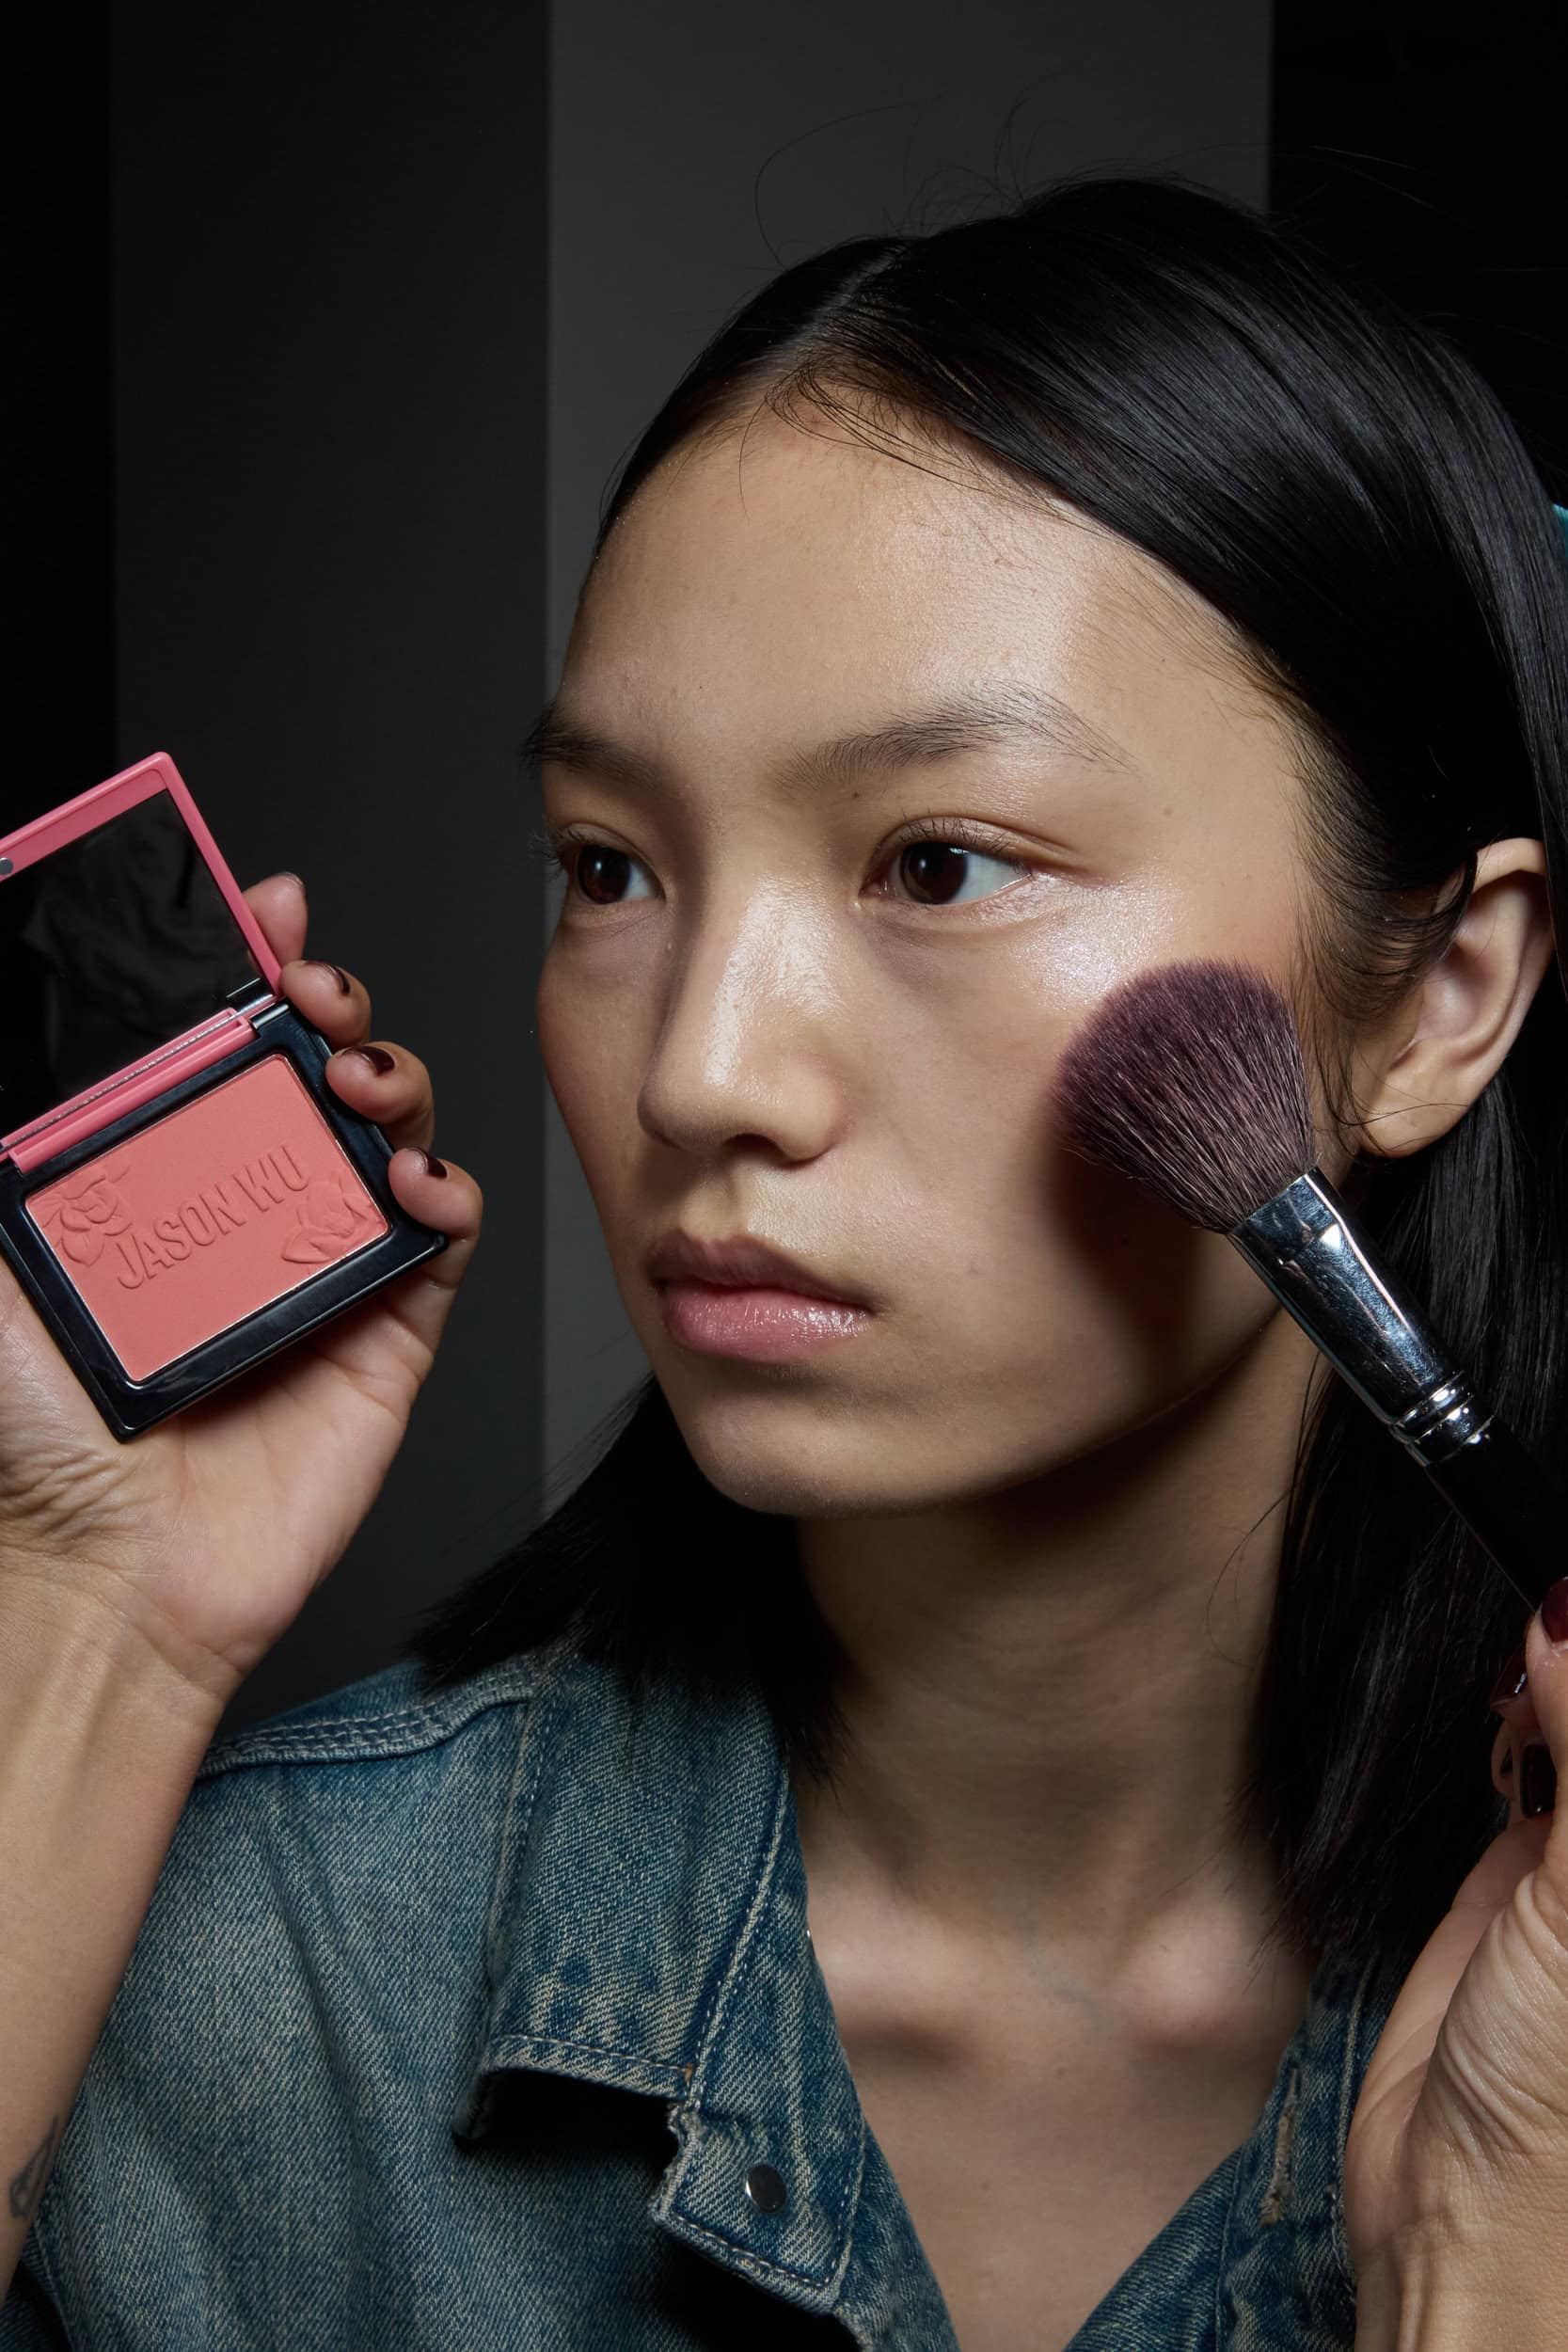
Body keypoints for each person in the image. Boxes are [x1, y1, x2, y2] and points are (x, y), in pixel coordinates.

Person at [4, 174, 1568, 2352]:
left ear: (1442, 994)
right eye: (609, 867)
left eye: (940, 863)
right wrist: (86, 1614)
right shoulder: (252, 1978)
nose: (699, 1073)